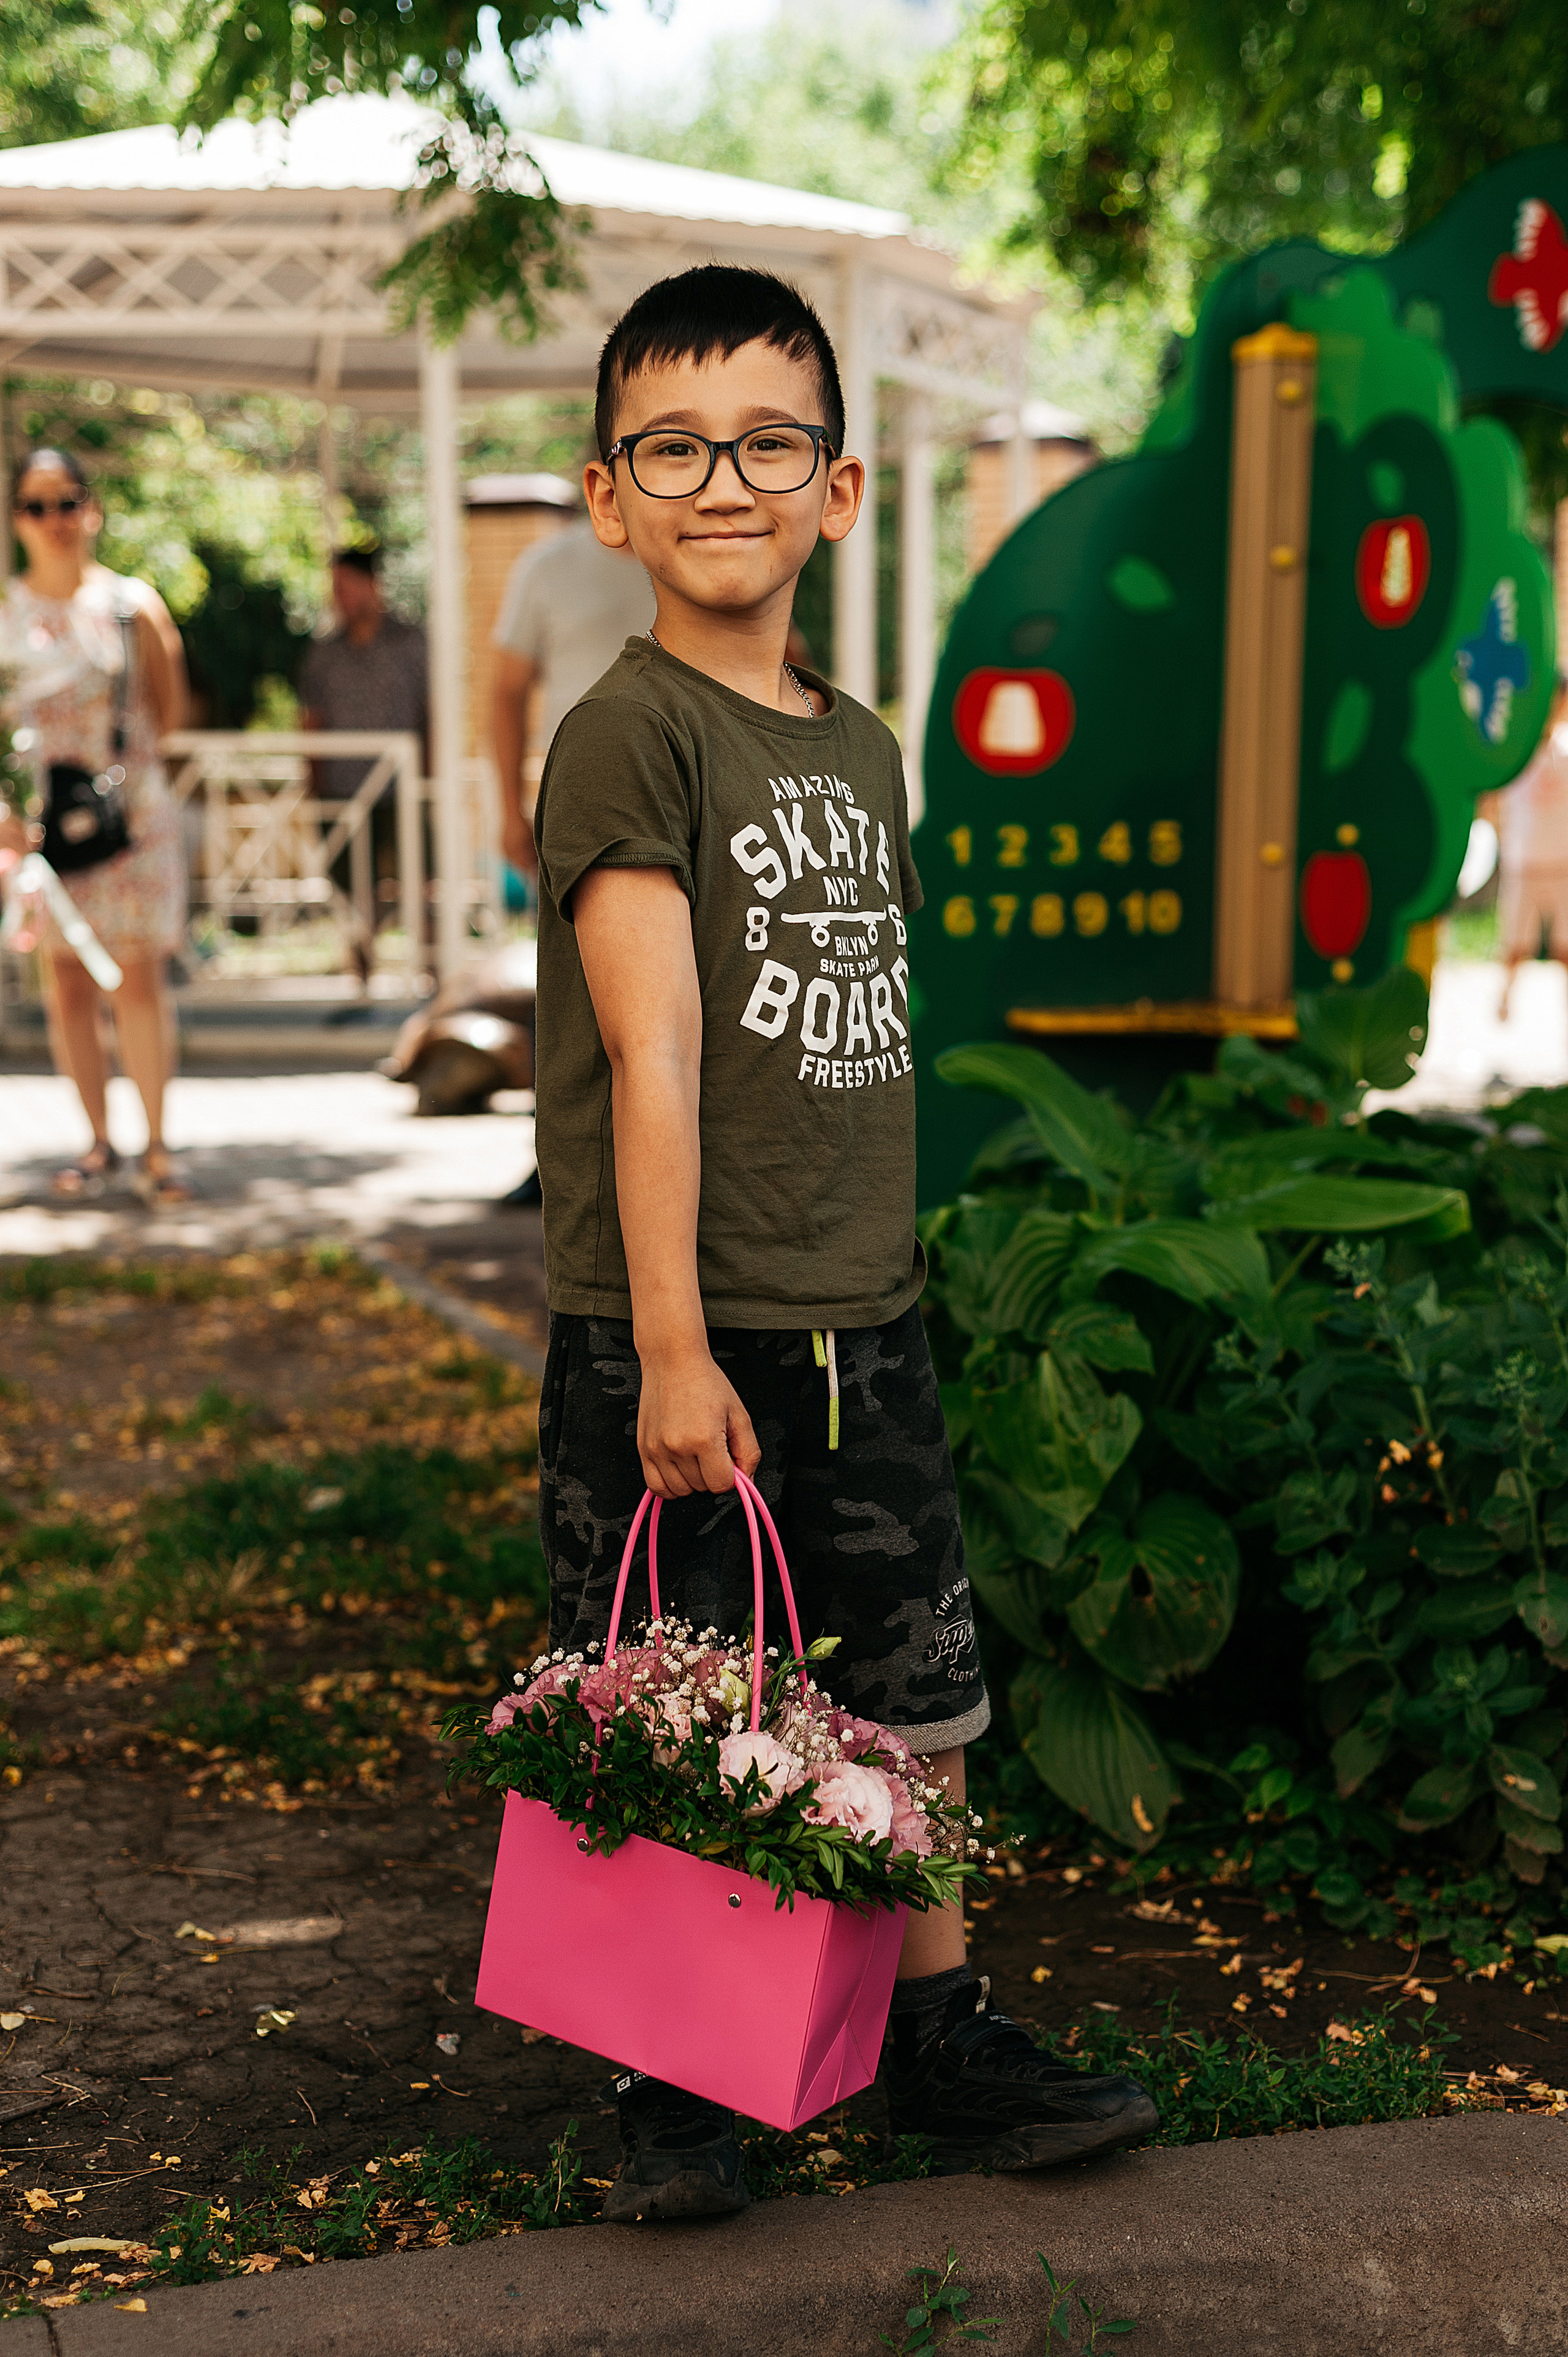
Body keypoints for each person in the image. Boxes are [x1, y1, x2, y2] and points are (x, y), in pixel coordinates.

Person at [532, 264, 1156, 2224]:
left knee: (916, 1686)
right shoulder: (631, 738)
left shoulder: (861, 744)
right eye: (673, 447)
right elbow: (654, 1057)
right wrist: (670, 1343)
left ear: (841, 487)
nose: (725, 481)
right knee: (683, 1687)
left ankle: (935, 2037)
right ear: (608, 493)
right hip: (687, 1329)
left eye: (767, 442)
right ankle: (684, 2076)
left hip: (858, 1315)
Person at [0, 448, 192, 1204]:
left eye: (67, 501)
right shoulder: (7, 615)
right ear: (18, 519)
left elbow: (167, 712)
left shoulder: (131, 603)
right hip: (40, 828)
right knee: (68, 985)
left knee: (136, 978)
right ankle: (97, 1143)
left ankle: (156, 1148)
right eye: (37, 505)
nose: (55, 520)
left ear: (93, 509)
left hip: (129, 820)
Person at [491, 501, 655, 1206]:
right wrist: (505, 808)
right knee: (568, 993)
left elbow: (785, 653)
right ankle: (556, 1164)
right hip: (576, 809)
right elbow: (504, 692)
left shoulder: (695, 551)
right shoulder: (547, 566)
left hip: (687, 802)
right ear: (601, 480)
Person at [298, 545, 428, 982]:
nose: (340, 597)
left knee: (415, 872)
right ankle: (362, 958)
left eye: (346, 586)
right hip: (341, 787)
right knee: (348, 880)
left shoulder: (412, 642)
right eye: (334, 588)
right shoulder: (324, 654)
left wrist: (429, 773)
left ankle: (428, 960)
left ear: (372, 585)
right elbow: (311, 720)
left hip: (400, 786)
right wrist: (310, 783)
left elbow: (431, 710)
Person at [1493, 673, 1568, 1020]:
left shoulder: (1565, 750)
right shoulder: (1515, 752)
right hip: (1523, 861)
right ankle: (1505, 999)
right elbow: (1497, 803)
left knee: (1564, 948)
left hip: (1561, 864)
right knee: (1515, 945)